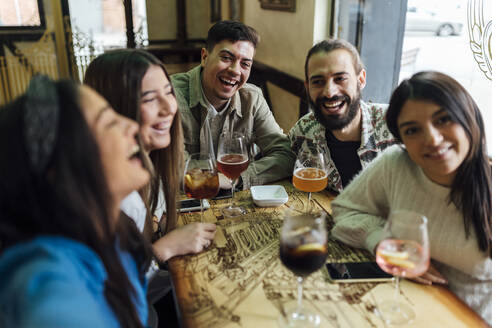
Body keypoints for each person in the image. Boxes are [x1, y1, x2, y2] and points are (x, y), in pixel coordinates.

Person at [331, 71, 492, 323]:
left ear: (469, 117)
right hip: (401, 308)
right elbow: (344, 211)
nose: (432, 139)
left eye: (444, 119)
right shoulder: (396, 164)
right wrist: (383, 242)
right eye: (413, 130)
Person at [0, 75, 153, 327]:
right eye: (109, 122)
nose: (132, 126)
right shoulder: (46, 282)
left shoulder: (114, 236)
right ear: (60, 167)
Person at [84, 49, 216, 326]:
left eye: (168, 92)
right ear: (114, 110)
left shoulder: (152, 167)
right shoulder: (113, 194)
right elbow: (105, 299)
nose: (170, 108)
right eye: (148, 99)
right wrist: (163, 249)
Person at [171, 20, 294, 190]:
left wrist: (239, 179)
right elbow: (169, 166)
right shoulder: (170, 96)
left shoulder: (252, 98)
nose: (236, 70)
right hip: (185, 203)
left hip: (236, 203)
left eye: (245, 64)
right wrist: (216, 178)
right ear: (205, 57)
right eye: (227, 58)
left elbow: (285, 154)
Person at [289, 39, 396, 193]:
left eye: (340, 79)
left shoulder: (395, 125)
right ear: (308, 88)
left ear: (361, 80)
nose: (329, 92)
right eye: (318, 82)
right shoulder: (303, 131)